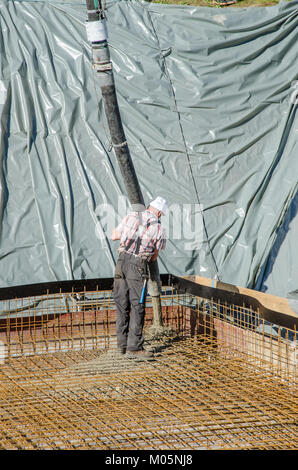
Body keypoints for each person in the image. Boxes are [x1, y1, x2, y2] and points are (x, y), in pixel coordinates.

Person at [111, 196, 168, 359]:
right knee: (137, 305)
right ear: (159, 213)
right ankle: (134, 348)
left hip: (120, 262)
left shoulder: (131, 215)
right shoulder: (158, 228)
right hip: (138, 265)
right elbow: (154, 256)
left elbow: (114, 235)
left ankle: (121, 345)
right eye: (161, 215)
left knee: (122, 303)